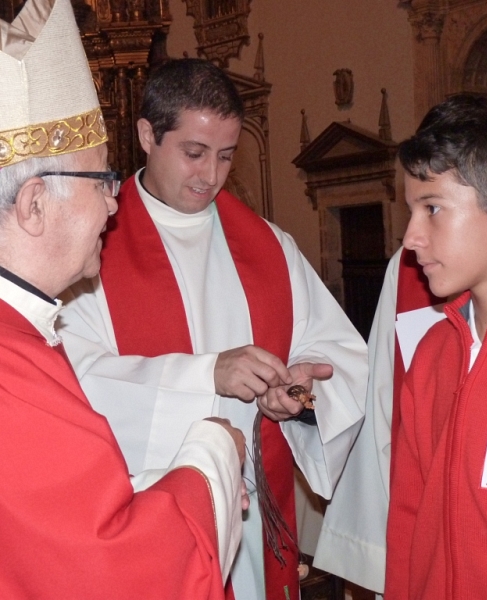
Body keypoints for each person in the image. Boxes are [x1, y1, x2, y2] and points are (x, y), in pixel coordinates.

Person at [59, 58, 368, 600]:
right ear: (148, 135)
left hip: (255, 522)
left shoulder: (270, 246)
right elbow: (75, 383)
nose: (211, 176)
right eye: (194, 153)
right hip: (157, 514)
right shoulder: (89, 248)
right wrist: (209, 375)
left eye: (226, 156)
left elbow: (343, 355)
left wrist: (301, 394)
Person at [0, 0, 248, 597]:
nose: (114, 203)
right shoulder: (12, 370)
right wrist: (216, 448)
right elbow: (121, 569)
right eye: (103, 179)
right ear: (35, 205)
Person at [313, 95, 487, 596]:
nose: (410, 238)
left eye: (432, 209)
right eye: (411, 211)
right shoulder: (433, 357)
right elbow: (407, 526)